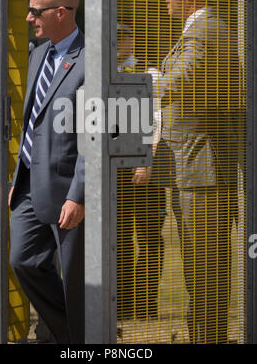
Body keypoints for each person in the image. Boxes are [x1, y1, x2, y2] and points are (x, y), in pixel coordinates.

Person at [155, 0, 240, 343]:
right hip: (196, 170)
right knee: (199, 269)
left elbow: (177, 81)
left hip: (203, 171)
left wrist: (127, 85)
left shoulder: (205, 28)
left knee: (205, 270)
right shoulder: (201, 28)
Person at [8, 0, 85, 344]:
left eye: (35, 12)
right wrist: (17, 180)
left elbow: (94, 136)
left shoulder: (91, 57)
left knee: (74, 279)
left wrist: (79, 195)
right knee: (23, 261)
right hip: (27, 186)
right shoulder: (39, 53)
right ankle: (68, 333)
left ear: (60, 13)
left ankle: (71, 337)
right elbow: (33, 124)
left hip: (68, 191)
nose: (28, 19)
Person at [116, 23, 167, 320]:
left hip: (144, 164)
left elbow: (158, 117)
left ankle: (145, 305)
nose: (118, 41)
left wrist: (146, 159)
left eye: (123, 35)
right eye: (113, 36)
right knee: (118, 237)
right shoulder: (100, 71)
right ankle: (121, 305)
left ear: (132, 39)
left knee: (149, 237)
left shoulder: (151, 73)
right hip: (113, 169)